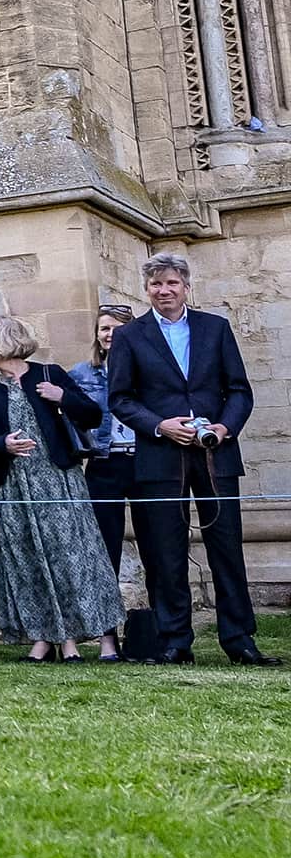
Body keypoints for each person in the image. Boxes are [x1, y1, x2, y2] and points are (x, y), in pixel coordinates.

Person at [106, 253, 277, 665]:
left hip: (215, 456)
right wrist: (160, 425)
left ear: (186, 286)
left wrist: (224, 428)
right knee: (166, 552)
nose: (164, 291)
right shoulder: (130, 336)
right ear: (146, 289)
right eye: (155, 285)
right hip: (161, 458)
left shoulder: (214, 328)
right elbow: (121, 399)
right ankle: (174, 641)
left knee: (227, 548)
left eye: (171, 283)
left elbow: (239, 390)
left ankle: (239, 640)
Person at [0, 314, 124, 663]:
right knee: (26, 562)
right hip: (11, 488)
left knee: (77, 558)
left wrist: (62, 397)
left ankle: (103, 636)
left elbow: (93, 416)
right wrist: (1, 443)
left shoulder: (49, 374)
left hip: (58, 480)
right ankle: (43, 637)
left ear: (2, 341)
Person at [64, 303, 142, 657]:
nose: (110, 334)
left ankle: (154, 637)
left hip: (145, 462)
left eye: (118, 327)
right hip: (104, 464)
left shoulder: (150, 370)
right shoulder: (82, 373)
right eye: (104, 328)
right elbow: (70, 417)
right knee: (102, 554)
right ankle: (106, 637)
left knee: (158, 550)